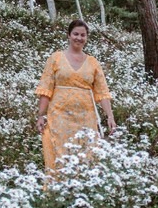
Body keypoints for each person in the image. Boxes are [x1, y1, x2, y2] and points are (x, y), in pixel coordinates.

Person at [35, 19, 117, 176]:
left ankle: (82, 190)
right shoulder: (56, 58)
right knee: (59, 151)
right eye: (76, 34)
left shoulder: (93, 62)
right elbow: (46, 89)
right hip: (59, 116)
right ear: (69, 35)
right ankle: (57, 190)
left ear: (87, 38)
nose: (79, 38)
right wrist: (41, 115)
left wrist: (110, 116)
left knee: (85, 152)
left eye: (83, 35)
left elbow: (102, 92)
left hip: (86, 118)